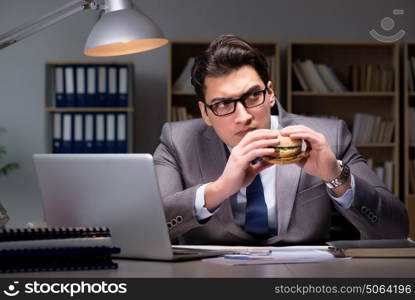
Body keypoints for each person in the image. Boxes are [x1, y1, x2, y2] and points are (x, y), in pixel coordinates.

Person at [153, 34, 408, 245]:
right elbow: (150, 226)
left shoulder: (330, 137)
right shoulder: (177, 141)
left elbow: (395, 231)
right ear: (205, 113)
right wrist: (219, 190)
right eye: (222, 104)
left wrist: (336, 176)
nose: (243, 117)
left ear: (271, 94)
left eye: (253, 96)